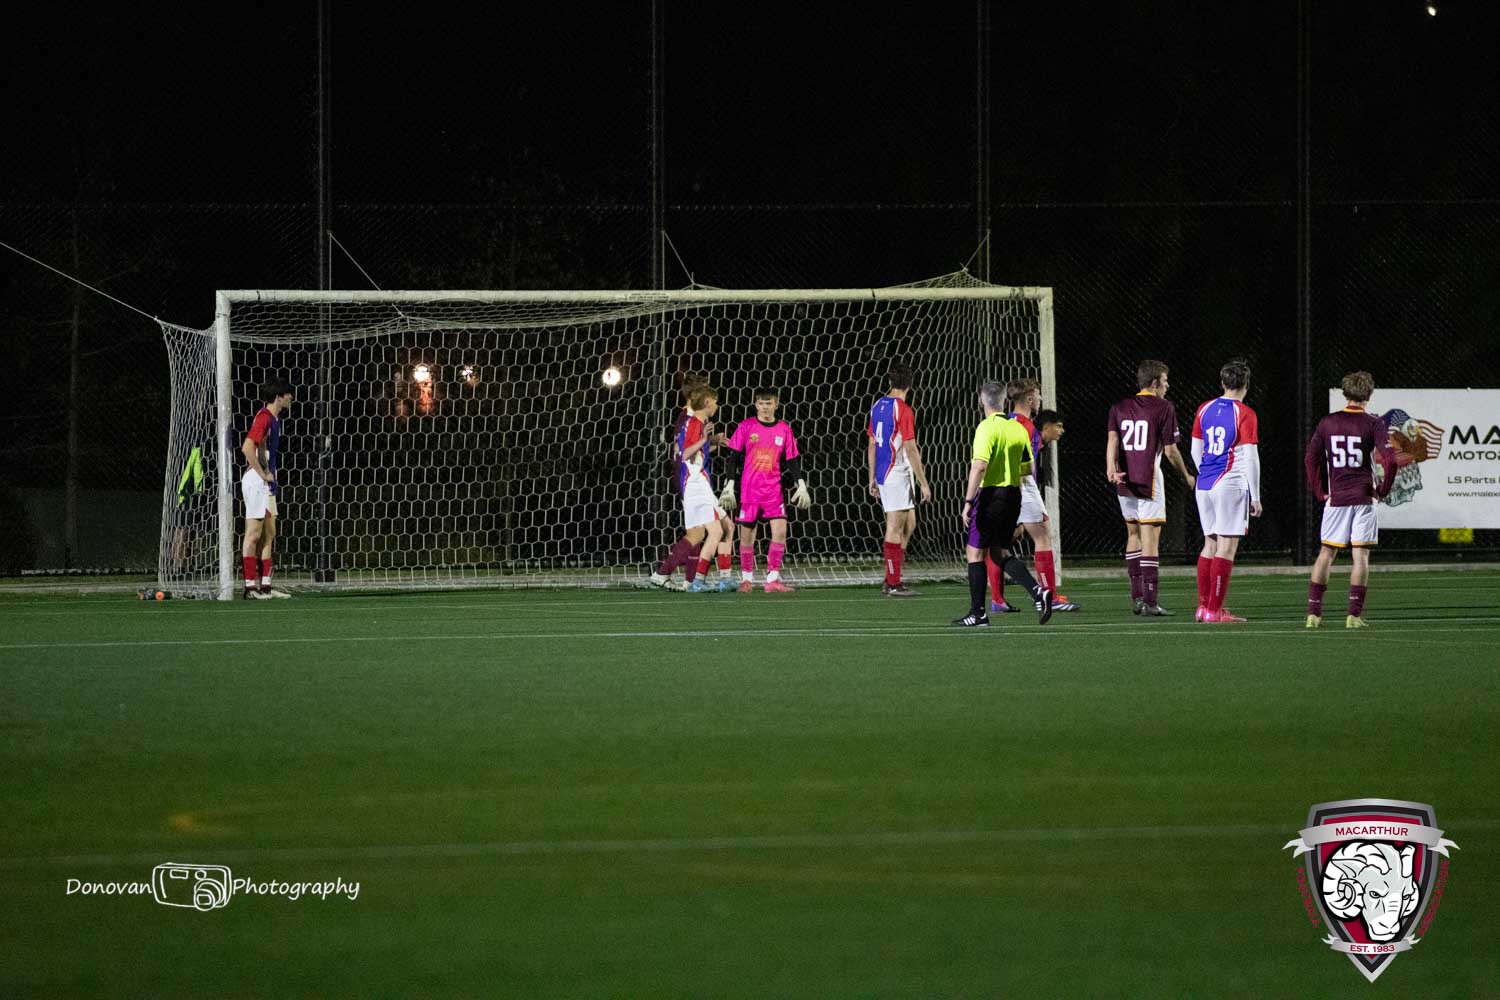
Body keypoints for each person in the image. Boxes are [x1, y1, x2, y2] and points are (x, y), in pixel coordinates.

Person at [953, 382, 1053, 627]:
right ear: (1004, 401)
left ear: (981, 401)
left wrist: (968, 502)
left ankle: (978, 613)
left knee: (974, 553)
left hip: (990, 496)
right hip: (1013, 495)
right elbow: (1028, 468)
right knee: (1000, 551)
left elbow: (979, 466)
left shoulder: (986, 427)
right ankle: (1038, 592)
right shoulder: (1017, 428)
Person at [1303, 371, 1397, 628]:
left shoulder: (1328, 422)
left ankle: (1314, 614)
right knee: (1361, 556)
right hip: (1364, 497)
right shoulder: (1373, 423)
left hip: (1337, 498)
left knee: (1326, 553)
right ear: (1369, 394)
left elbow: (1310, 458)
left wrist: (1319, 491)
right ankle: (1353, 616)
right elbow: (1390, 461)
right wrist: (1383, 489)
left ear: (1345, 394)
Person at [1105, 360, 1195, 615]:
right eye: (1165, 381)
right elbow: (1170, 451)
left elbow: (1112, 440)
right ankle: (1151, 601)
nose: (1168, 386)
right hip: (1148, 479)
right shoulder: (1164, 407)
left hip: (1124, 479)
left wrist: (1110, 469)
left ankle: (1137, 597)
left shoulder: (1119, 407)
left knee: (1132, 535)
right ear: (1155, 383)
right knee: (1150, 540)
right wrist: (1186, 475)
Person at [989, 379, 1078, 614]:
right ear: (1029, 399)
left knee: (1002, 542)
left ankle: (997, 599)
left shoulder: (1002, 422)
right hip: (1020, 486)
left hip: (997, 486)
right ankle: (1051, 597)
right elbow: (1021, 464)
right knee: (1043, 536)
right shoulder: (1027, 427)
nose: (1040, 399)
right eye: (1038, 395)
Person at [1190, 358, 1262, 623]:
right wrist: (1255, 495)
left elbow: (1195, 449)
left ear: (1222, 382)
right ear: (1246, 385)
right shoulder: (1245, 413)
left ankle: (1203, 607)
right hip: (1230, 483)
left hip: (1205, 483)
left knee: (1209, 543)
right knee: (1226, 546)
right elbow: (1250, 457)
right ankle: (1214, 611)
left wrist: (1206, 472)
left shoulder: (1204, 408)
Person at [719, 387, 809, 593]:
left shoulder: (784, 429)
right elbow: (733, 458)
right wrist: (729, 484)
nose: (765, 407)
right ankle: (747, 580)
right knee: (747, 535)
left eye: (769, 403)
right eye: (761, 403)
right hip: (750, 489)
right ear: (755, 404)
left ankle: (772, 579)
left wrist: (801, 484)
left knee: (780, 531)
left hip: (773, 489)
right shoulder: (746, 426)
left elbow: (792, 460)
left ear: (776, 404)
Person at [867, 364, 932, 597]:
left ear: (890, 382)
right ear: (910, 385)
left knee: (909, 524)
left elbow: (872, 444)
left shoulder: (877, 405)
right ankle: (893, 583)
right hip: (895, 473)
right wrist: (923, 482)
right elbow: (910, 448)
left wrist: (872, 477)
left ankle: (891, 576)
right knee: (894, 527)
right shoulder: (903, 409)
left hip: (887, 473)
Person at [649, 373, 718, 590]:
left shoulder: (693, 417)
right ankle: (664, 573)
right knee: (704, 530)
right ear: (696, 394)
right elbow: (681, 452)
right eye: (705, 389)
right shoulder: (687, 418)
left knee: (697, 530)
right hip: (689, 478)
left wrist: (712, 442)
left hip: (690, 477)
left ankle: (690, 580)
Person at [671, 384, 736, 593]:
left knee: (728, 527)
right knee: (716, 531)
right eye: (715, 402)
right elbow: (686, 453)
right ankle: (697, 581)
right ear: (707, 403)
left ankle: (725, 579)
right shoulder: (693, 423)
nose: (716, 406)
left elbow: (699, 453)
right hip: (695, 483)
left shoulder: (699, 423)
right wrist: (705, 439)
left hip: (702, 483)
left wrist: (714, 443)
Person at [241, 379, 294, 599]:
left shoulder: (274, 419)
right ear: (279, 397)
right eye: (288, 394)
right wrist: (262, 474)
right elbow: (247, 447)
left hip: (267, 482)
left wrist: (268, 474)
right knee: (253, 534)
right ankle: (249, 587)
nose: (291, 398)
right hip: (256, 481)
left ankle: (266, 586)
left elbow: (262, 446)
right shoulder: (264, 417)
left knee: (269, 533)